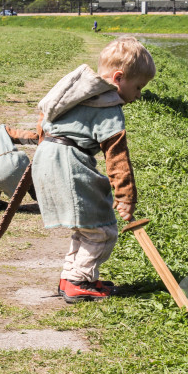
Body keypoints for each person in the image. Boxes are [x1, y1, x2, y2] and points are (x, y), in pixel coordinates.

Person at [32, 35, 156, 303]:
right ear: (119, 78)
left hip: (47, 156)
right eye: (138, 87)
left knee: (86, 226)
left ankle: (72, 277)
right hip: (69, 162)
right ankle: (79, 282)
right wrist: (125, 197)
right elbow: (117, 156)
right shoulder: (108, 107)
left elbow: (44, 115)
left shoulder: (76, 93)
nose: (139, 94)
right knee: (102, 230)